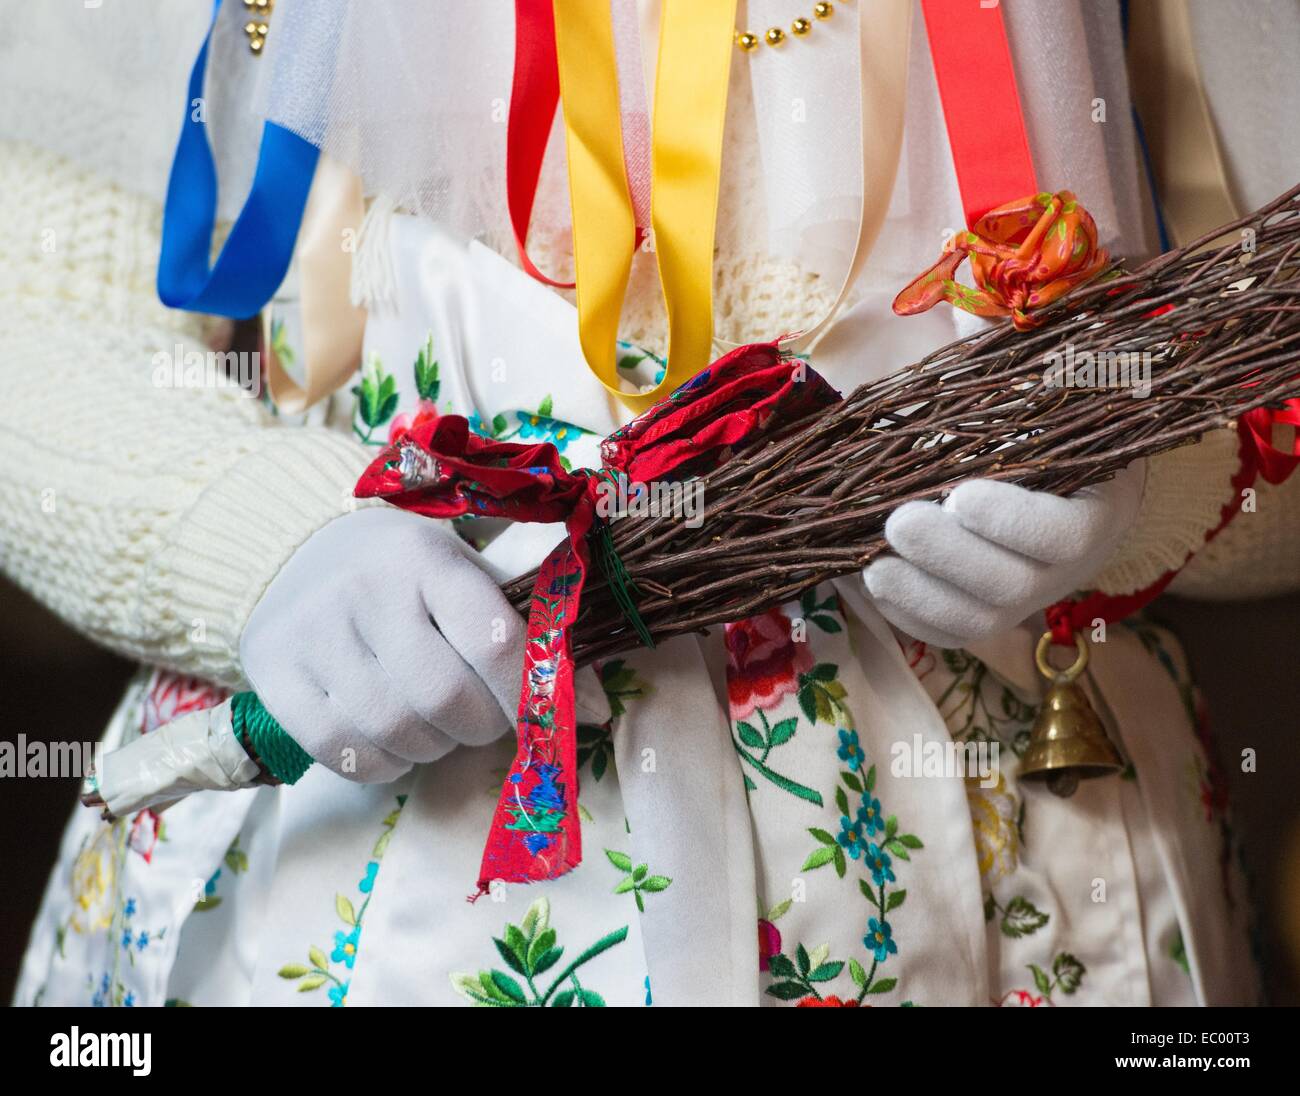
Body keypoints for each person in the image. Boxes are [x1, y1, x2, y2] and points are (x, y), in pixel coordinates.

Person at [4, 0, 1290, 1007]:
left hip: (1022, 895)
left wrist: (1141, 480)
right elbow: (34, 300)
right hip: (368, 874)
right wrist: (261, 534)